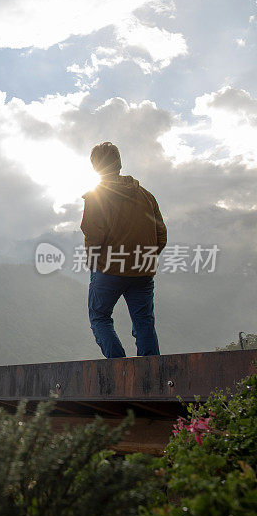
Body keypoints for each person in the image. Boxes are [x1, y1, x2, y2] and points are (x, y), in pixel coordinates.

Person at [80, 142, 167, 358]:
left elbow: (94, 236)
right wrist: (145, 257)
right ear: (119, 163)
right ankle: (152, 374)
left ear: (95, 167)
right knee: (144, 321)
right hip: (143, 267)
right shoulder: (146, 196)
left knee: (100, 317)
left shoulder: (96, 197)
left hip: (110, 268)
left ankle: (120, 369)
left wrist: (94, 262)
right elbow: (161, 234)